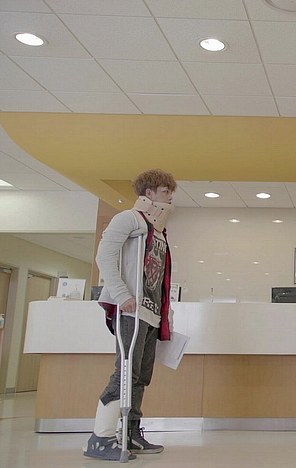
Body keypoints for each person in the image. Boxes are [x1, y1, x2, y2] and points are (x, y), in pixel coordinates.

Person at [84, 169, 177, 461]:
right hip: (131, 310)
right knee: (125, 373)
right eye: (165, 192)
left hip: (150, 313)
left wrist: (166, 313)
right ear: (149, 193)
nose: (170, 198)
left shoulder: (158, 230)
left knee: (140, 377)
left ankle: (130, 433)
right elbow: (104, 256)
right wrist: (121, 294)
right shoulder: (128, 219)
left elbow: (159, 277)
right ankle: (101, 438)